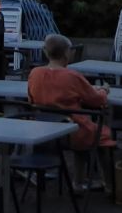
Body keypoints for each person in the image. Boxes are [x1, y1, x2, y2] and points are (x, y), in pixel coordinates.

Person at [28, 33, 114, 187]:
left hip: (44, 132)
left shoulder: (35, 73)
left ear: (46, 52)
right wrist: (104, 90)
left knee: (85, 129)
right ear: (67, 52)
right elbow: (97, 100)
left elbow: (32, 100)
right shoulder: (72, 76)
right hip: (73, 132)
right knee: (103, 134)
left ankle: (79, 182)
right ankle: (108, 184)